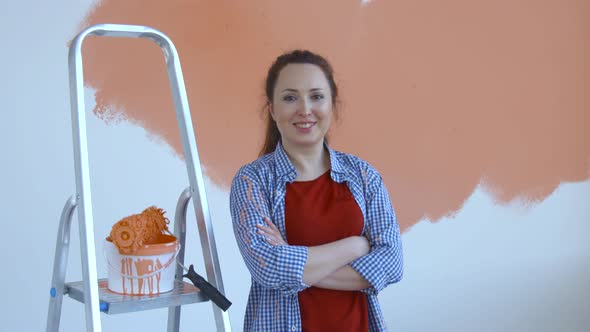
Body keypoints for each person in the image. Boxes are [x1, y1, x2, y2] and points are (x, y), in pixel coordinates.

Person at [229, 49, 403, 332]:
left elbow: (392, 264)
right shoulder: (252, 181)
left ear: (332, 104)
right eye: (290, 97)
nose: (305, 109)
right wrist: (355, 246)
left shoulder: (363, 176)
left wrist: (290, 255)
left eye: (316, 96)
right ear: (272, 109)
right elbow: (268, 269)